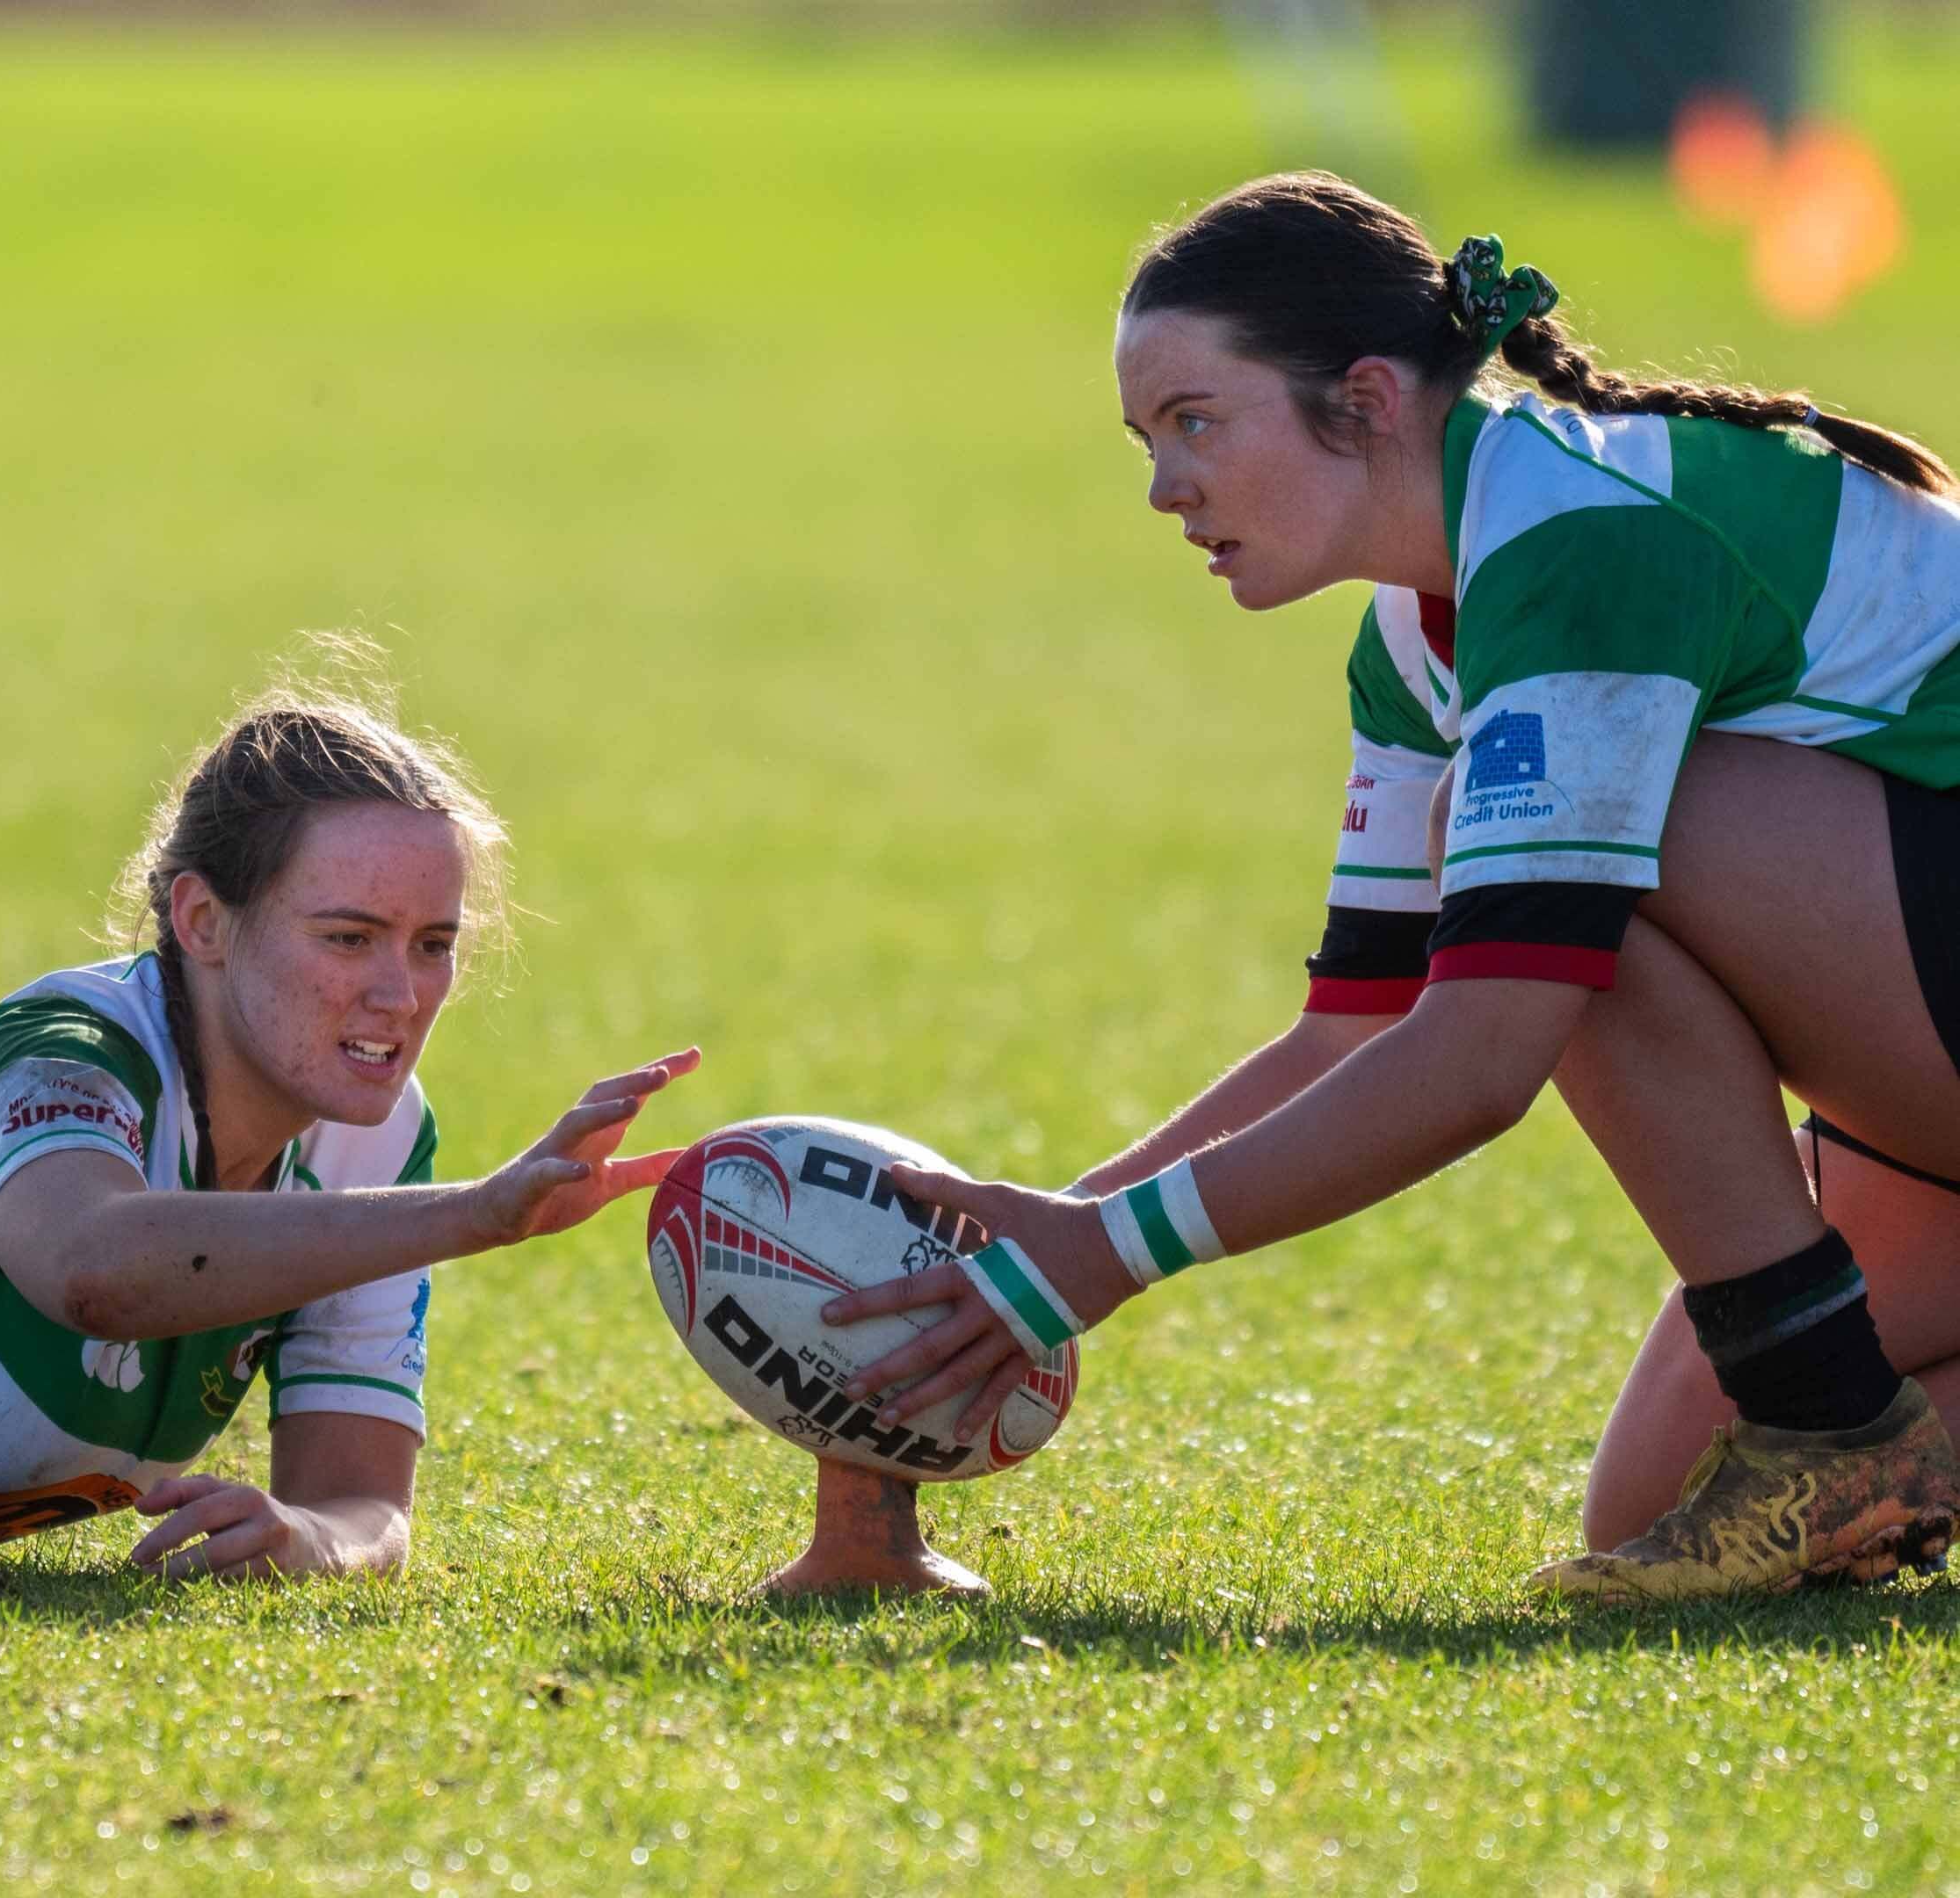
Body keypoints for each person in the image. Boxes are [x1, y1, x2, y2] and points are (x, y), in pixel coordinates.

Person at [825, 170, 1960, 1602]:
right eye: (1144, 438)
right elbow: (1352, 1033)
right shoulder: (1418, 632)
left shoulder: (1575, 539)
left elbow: (1483, 1054)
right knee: (1653, 1507)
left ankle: (1830, 1430)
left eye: (1194, 423)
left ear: (1363, 400)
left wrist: (1108, 1254)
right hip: (1917, 1027)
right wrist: (1052, 1233)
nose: (1165, 485)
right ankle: (1846, 1441)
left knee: (1575, 869)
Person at [0, 673, 695, 1577]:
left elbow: (361, 1499)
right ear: (204, 920)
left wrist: (306, 1537)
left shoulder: (376, 1141)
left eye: (434, 944)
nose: (400, 996)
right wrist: (475, 1215)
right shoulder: (63, 1054)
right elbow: (91, 1267)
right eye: (348, 938)